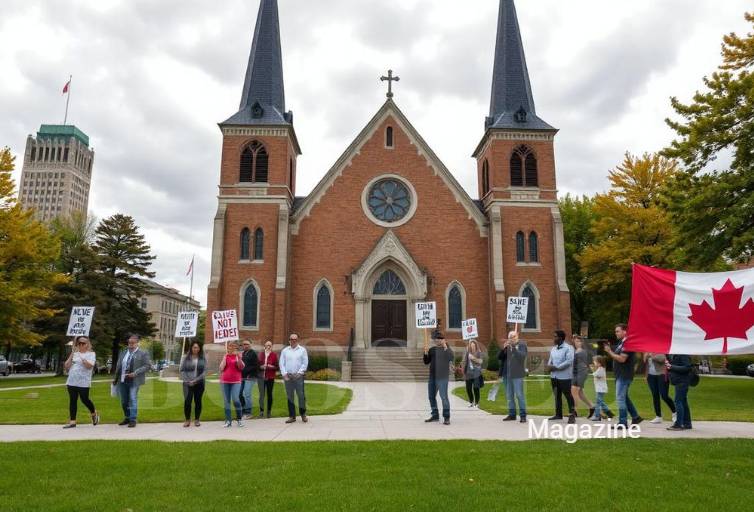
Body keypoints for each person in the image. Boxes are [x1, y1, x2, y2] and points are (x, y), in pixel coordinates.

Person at [604, 324, 644, 428]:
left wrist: (609, 352)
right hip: (621, 375)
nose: (615, 333)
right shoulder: (622, 343)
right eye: (615, 331)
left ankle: (623, 422)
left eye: (618, 331)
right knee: (624, 397)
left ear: (625, 331)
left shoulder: (628, 343)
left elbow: (622, 359)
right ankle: (635, 417)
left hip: (624, 375)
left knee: (620, 399)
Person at [113, 334, 151, 428]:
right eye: (129, 342)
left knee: (132, 398)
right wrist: (115, 379)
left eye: (133, 343)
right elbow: (119, 366)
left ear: (137, 343)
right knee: (124, 401)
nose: (130, 344)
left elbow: (147, 365)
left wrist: (136, 372)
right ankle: (127, 417)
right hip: (122, 380)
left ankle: (133, 419)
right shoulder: (124, 352)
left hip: (134, 380)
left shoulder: (143, 353)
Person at [63, 336, 99, 429]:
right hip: (72, 380)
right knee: (73, 401)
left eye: (83, 343)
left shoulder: (91, 354)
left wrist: (84, 360)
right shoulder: (75, 354)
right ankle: (72, 422)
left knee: (84, 399)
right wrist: (72, 354)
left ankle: (94, 412)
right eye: (79, 343)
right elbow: (66, 366)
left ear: (88, 344)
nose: (81, 345)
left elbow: (89, 366)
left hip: (83, 382)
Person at [423, 331, 455, 425]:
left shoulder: (447, 349)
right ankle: (435, 415)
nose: (438, 340)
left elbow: (451, 357)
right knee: (431, 397)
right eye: (436, 339)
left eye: (440, 339)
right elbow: (426, 362)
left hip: (442, 377)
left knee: (444, 397)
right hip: (432, 376)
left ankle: (446, 417)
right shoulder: (432, 349)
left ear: (444, 340)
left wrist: (446, 347)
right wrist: (425, 353)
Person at [547, 330, 576, 424]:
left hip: (565, 377)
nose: (554, 338)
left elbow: (569, 361)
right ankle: (558, 414)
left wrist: (557, 368)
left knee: (568, 396)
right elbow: (550, 360)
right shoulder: (553, 348)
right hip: (554, 376)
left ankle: (572, 415)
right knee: (557, 396)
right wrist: (549, 366)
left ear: (561, 338)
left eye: (555, 336)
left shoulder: (569, 348)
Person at [498, 331, 528, 423]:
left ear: (517, 336)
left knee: (519, 395)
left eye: (513, 336)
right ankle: (512, 414)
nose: (511, 338)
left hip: (517, 374)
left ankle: (523, 415)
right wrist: (504, 349)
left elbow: (522, 357)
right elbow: (499, 357)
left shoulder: (522, 345)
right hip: (507, 374)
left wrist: (514, 348)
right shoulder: (507, 346)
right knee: (509, 396)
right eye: (510, 336)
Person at [280, 333, 308, 424]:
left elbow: (305, 363)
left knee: (301, 396)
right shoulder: (285, 351)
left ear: (298, 340)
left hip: (298, 376)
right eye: (292, 339)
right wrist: (284, 374)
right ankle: (292, 416)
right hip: (288, 376)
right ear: (289, 340)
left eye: (295, 339)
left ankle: (303, 414)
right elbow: (281, 363)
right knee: (290, 396)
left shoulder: (302, 350)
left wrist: (299, 373)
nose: (293, 341)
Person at [644, 352, 677, 424]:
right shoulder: (647, 349)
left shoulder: (660, 348)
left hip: (662, 374)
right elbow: (646, 362)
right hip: (651, 376)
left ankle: (675, 413)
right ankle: (658, 416)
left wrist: (651, 356)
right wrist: (646, 375)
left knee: (664, 395)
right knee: (655, 395)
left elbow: (662, 359)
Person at [180, 342, 206, 427]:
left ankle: (197, 419)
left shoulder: (203, 358)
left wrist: (195, 380)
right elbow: (182, 370)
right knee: (187, 402)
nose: (196, 349)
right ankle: (187, 420)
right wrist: (188, 381)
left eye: (197, 348)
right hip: (187, 384)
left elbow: (205, 371)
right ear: (191, 348)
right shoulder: (185, 357)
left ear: (200, 349)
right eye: (194, 347)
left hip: (199, 383)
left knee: (198, 401)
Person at [219, 340, 245, 427]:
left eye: (233, 346)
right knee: (227, 401)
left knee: (236, 400)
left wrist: (238, 358)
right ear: (227, 347)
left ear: (236, 347)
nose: (232, 347)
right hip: (225, 381)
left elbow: (241, 367)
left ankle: (239, 419)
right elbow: (221, 368)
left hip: (236, 381)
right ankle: (228, 421)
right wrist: (224, 358)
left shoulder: (238, 356)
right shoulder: (225, 356)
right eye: (230, 346)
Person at [666, 354, 693, 431]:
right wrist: (669, 366)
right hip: (679, 380)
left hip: (683, 381)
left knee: (678, 401)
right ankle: (687, 424)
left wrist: (671, 367)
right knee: (683, 401)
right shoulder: (675, 353)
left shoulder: (683, 353)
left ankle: (679, 424)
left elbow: (687, 367)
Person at [571, 335, 595, 419]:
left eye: (578, 341)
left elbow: (583, 364)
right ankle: (592, 406)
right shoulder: (576, 351)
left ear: (582, 343)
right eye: (575, 341)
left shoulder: (581, 352)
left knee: (574, 391)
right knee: (580, 393)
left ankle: (574, 411)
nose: (576, 343)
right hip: (577, 373)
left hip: (580, 373)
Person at [257, 340, 279, 418]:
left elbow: (277, 367)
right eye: (267, 345)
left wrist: (271, 366)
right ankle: (261, 411)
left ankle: (269, 412)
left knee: (269, 394)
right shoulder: (261, 354)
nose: (268, 347)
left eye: (270, 345)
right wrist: (260, 367)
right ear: (264, 346)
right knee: (261, 395)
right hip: (261, 378)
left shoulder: (274, 355)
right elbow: (257, 365)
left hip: (270, 377)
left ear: (272, 347)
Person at [589, 355, 614, 421]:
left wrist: (592, 370)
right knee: (600, 401)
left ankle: (597, 416)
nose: (594, 363)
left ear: (599, 363)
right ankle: (609, 412)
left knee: (598, 402)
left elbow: (596, 375)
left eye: (595, 362)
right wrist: (594, 369)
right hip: (599, 388)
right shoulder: (600, 369)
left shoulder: (601, 369)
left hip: (601, 389)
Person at [239, 339, 259, 420]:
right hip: (242, 377)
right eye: (244, 344)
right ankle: (243, 411)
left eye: (247, 344)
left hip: (250, 377)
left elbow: (256, 366)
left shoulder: (253, 353)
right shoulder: (243, 353)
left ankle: (248, 413)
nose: (245, 345)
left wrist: (249, 373)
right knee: (239, 394)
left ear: (250, 344)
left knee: (246, 394)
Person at [461, 339, 483, 407]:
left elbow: (480, 361)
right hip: (468, 373)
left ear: (476, 346)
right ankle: (471, 402)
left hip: (476, 373)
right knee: (468, 388)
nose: (472, 346)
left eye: (473, 345)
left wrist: (473, 358)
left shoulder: (479, 352)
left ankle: (477, 403)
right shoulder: (467, 353)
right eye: (471, 345)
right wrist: (462, 367)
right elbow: (464, 361)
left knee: (476, 388)